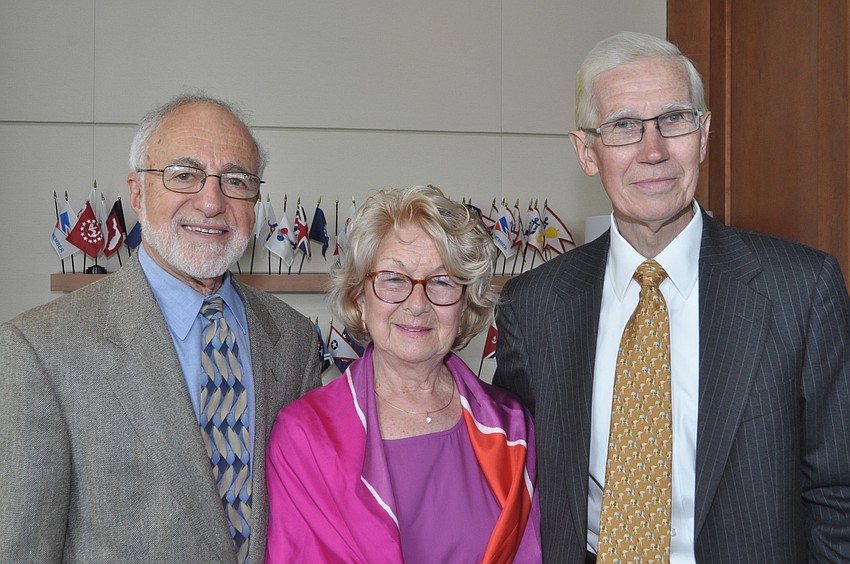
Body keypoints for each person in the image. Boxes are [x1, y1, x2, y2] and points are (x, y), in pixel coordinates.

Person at [493, 31, 850, 563]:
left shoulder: (801, 290)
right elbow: (514, 480)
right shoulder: (533, 305)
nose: (654, 150)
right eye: (623, 126)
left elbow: (838, 492)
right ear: (586, 152)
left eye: (674, 119)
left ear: (703, 136)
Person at [0, 93, 322, 563]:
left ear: (255, 199)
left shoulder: (294, 340)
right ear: (137, 193)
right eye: (184, 174)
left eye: (236, 180)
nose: (211, 202)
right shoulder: (41, 351)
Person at [264, 184, 542, 562]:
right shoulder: (305, 435)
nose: (417, 304)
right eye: (394, 278)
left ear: (464, 306)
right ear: (360, 299)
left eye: (441, 281)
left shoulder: (513, 427)